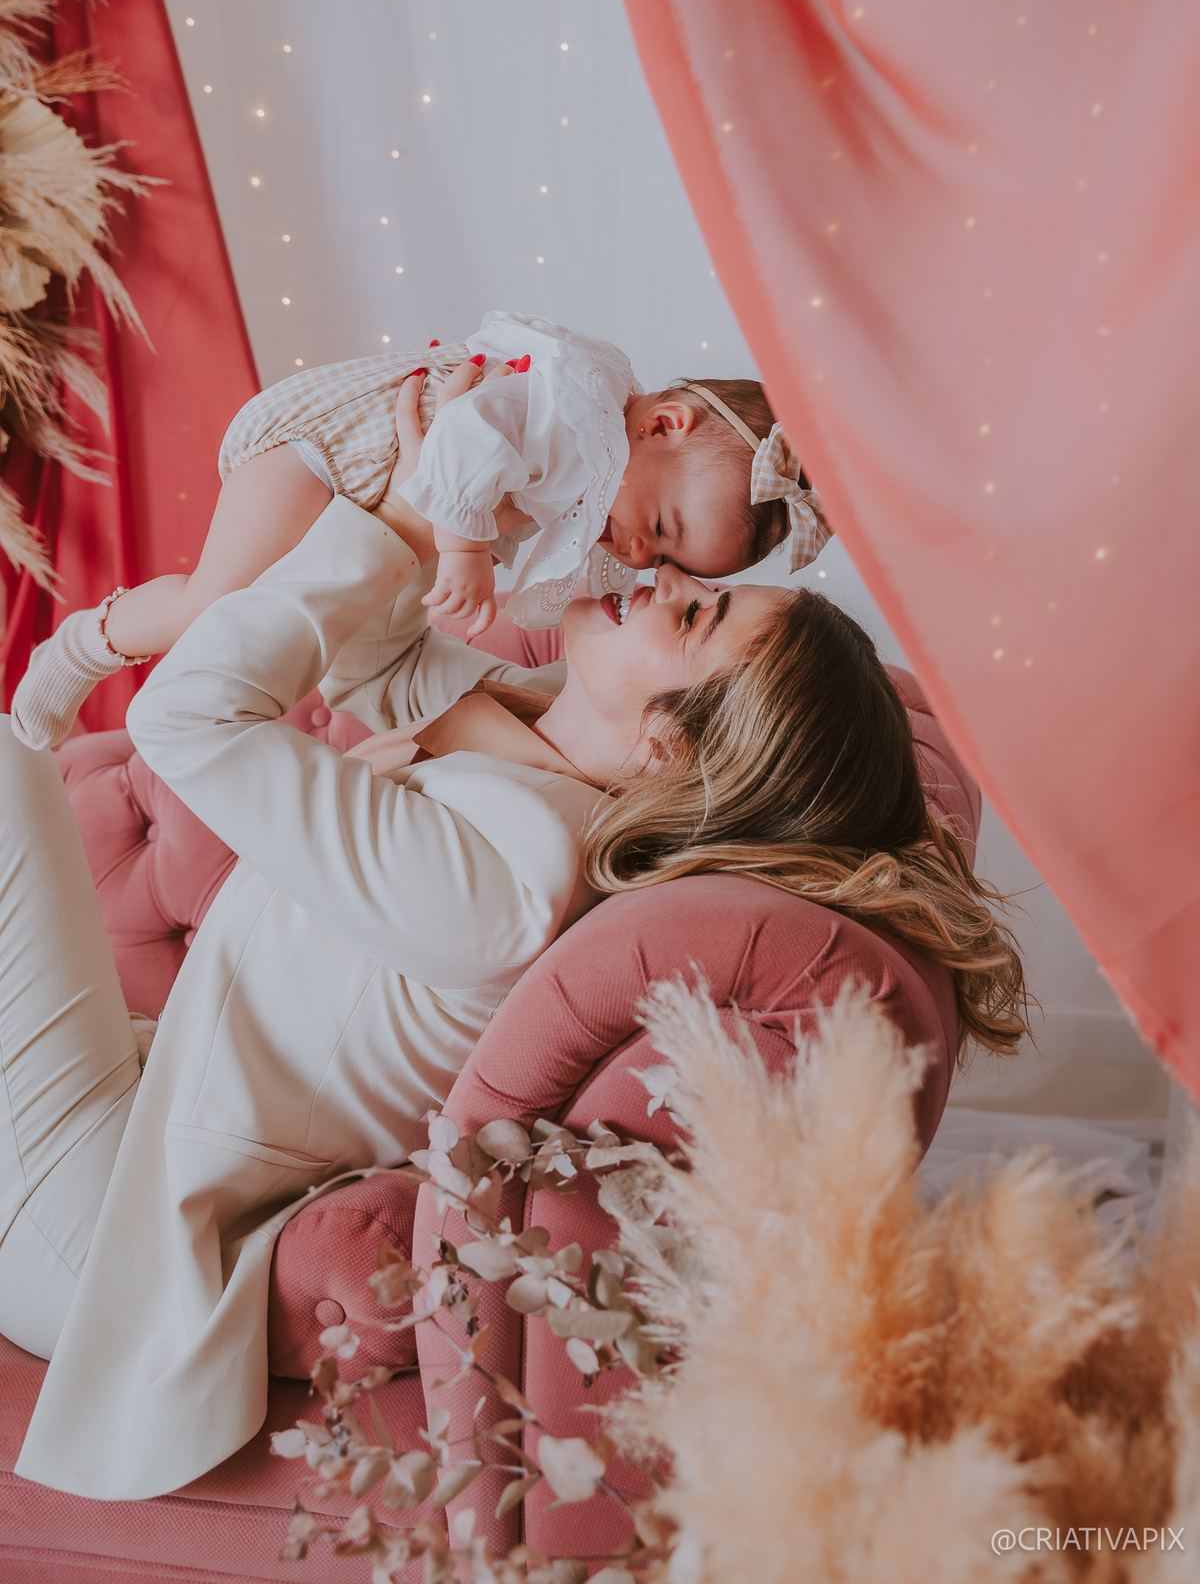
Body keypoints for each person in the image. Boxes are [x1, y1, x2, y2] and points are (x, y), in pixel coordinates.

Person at [0, 374, 1023, 1500]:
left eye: (695, 615)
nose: (669, 577)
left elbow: (183, 716)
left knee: (6, 765)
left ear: (669, 750)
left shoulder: (512, 880)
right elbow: (379, 664)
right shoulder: (534, 745)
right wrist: (446, 500)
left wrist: (402, 522)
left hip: (104, 1233)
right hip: (133, 1114)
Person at [9, 309, 831, 751]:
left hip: (363, 495)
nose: (640, 554)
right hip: (328, 453)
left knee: (273, 630)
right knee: (214, 610)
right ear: (664, 424)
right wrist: (466, 549)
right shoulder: (576, 412)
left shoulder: (600, 471)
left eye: (663, 556)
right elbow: (466, 430)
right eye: (658, 524)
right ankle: (83, 647)